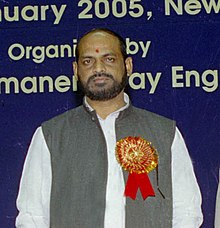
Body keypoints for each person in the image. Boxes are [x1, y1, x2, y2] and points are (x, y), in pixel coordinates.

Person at [16, 28, 203, 228]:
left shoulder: (164, 133)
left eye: (109, 59)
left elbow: (187, 213)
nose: (98, 69)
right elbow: (32, 217)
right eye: (87, 61)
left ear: (128, 65)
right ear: (76, 70)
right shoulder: (50, 135)